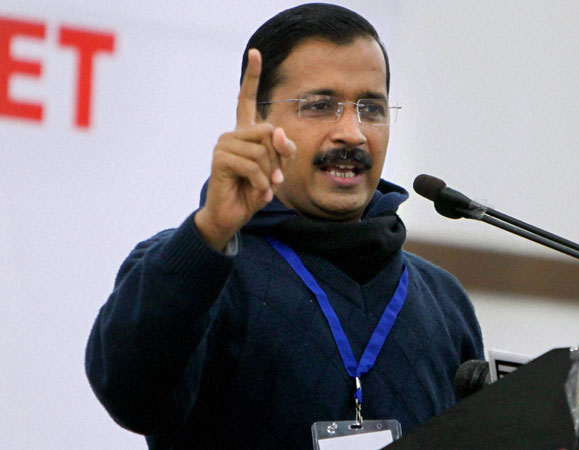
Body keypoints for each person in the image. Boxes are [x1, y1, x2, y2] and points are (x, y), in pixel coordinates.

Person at [85, 3, 484, 449]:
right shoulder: (196, 269)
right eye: (320, 106)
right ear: (259, 121)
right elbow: (131, 396)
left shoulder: (444, 302)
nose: (352, 132)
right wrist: (209, 232)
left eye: (370, 108)